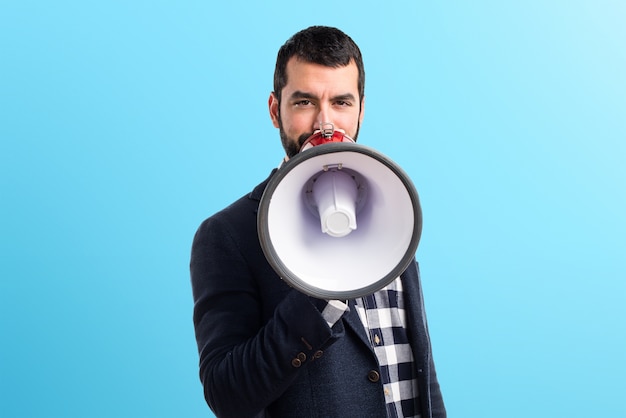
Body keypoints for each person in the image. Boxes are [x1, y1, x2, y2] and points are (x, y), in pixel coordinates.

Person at [190, 26, 446, 418]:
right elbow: (227, 394)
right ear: (276, 111)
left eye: (341, 102)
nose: (325, 124)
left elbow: (419, 369)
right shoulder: (228, 234)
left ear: (361, 109)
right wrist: (318, 288)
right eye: (305, 102)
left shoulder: (394, 211)